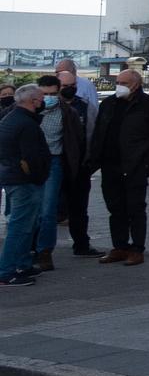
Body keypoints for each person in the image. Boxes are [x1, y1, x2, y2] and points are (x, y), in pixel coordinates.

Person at [87, 69, 149, 267]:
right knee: (115, 208)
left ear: (136, 84)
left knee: (135, 208)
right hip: (110, 163)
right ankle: (119, 246)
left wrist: (146, 160)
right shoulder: (109, 104)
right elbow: (99, 132)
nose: (119, 85)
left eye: (124, 82)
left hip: (134, 165)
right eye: (118, 81)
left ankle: (137, 248)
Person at [36, 74, 91, 267]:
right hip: (31, 163)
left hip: (55, 161)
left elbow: (77, 139)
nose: (49, 97)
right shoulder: (29, 109)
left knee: (48, 210)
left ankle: (44, 251)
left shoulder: (68, 112)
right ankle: (29, 248)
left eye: (53, 93)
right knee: (29, 209)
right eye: (45, 93)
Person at [0, 85, 51, 286]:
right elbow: (31, 157)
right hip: (23, 181)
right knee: (20, 227)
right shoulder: (26, 124)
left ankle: (22, 263)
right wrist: (39, 177)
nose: (43, 102)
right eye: (41, 99)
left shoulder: (10, 118)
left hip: (13, 178)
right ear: (33, 102)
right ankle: (7, 271)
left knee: (25, 226)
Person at [53, 59, 98, 138]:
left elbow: (93, 112)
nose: (58, 74)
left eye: (73, 85)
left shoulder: (87, 86)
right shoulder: (52, 101)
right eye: (57, 72)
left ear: (72, 71)